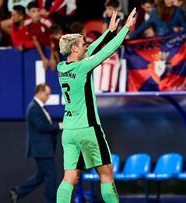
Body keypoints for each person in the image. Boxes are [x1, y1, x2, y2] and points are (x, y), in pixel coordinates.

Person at [55, 9, 137, 203]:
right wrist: (125, 29)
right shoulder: (83, 67)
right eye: (83, 44)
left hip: (68, 131)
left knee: (70, 177)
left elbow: (91, 51)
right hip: (88, 129)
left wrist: (109, 32)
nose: (86, 46)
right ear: (74, 49)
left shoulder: (62, 67)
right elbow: (107, 51)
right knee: (106, 175)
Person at [9, 84, 62, 203]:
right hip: (41, 149)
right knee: (51, 177)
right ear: (40, 92)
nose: (48, 97)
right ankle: (51, 201)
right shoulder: (34, 108)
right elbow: (41, 126)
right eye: (47, 94)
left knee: (42, 176)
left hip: (43, 149)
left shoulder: (38, 107)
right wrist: (59, 125)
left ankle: (18, 192)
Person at [25, 1, 55, 69]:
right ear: (28, 13)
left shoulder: (47, 22)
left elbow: (53, 39)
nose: (37, 13)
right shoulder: (28, 24)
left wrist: (52, 57)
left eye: (38, 11)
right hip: (46, 47)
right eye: (33, 11)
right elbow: (36, 41)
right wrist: (43, 58)